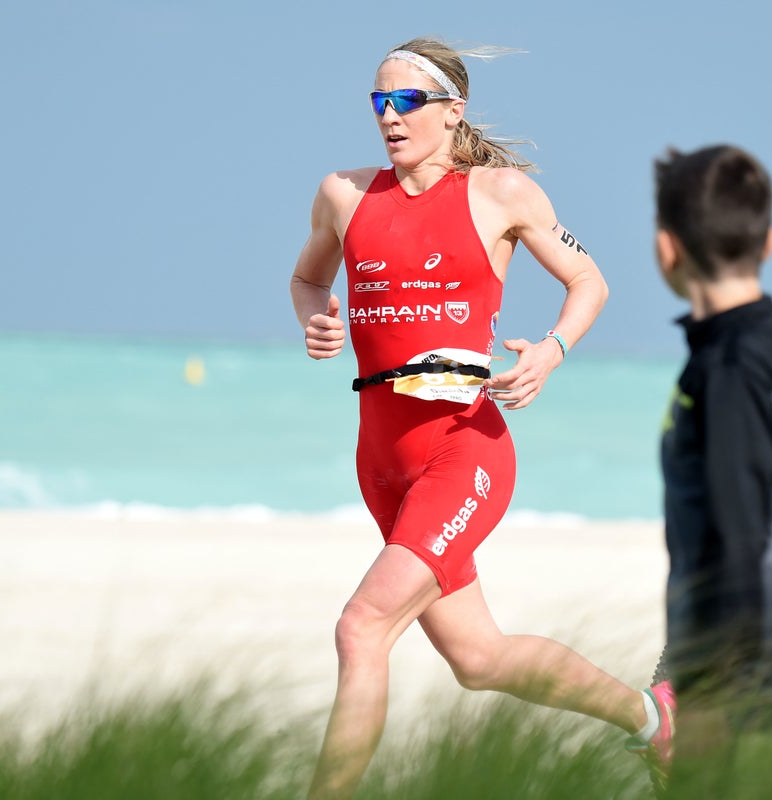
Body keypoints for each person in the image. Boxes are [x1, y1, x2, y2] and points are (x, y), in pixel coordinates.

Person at [288, 38, 671, 800]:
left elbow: (588, 278)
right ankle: (653, 725)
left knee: (360, 626)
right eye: (379, 102)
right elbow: (307, 277)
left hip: (464, 453)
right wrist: (317, 320)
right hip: (381, 464)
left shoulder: (502, 196)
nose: (389, 118)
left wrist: (553, 350)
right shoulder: (343, 193)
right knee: (479, 659)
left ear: (451, 110)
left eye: (406, 102)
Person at [653, 144, 772, 797]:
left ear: (666, 248)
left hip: (751, 673)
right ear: (769, 242)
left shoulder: (728, 372)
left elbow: (739, 543)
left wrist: (706, 696)